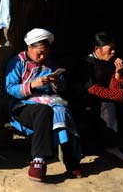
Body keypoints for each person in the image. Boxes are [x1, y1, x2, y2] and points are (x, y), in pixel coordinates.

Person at [5, 28, 82, 181]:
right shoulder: (17, 62)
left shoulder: (51, 64)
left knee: (61, 112)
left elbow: (61, 88)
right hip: (23, 106)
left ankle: (70, 158)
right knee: (44, 111)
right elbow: (10, 88)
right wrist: (33, 84)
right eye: (39, 52)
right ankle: (38, 159)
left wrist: (56, 83)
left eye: (45, 52)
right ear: (29, 47)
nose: (42, 56)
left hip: (48, 102)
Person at [71, 31, 123, 167]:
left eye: (114, 48)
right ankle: (112, 147)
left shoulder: (112, 62)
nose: (113, 52)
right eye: (110, 48)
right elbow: (94, 90)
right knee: (109, 102)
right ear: (97, 49)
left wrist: (117, 75)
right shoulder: (84, 64)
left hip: (104, 99)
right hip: (85, 103)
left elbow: (114, 91)